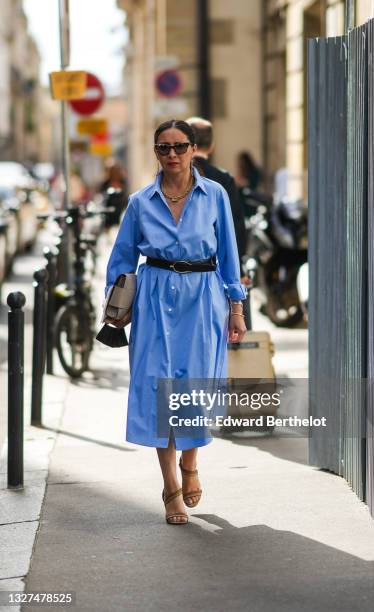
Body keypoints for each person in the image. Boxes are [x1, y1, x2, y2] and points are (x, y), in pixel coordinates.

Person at [103, 119, 247, 525]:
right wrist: (115, 306)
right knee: (157, 388)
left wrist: (236, 308)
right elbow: (121, 259)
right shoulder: (140, 201)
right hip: (153, 297)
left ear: (193, 149)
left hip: (203, 297)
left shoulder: (214, 194)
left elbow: (229, 255)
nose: (172, 155)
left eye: (180, 147)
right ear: (155, 152)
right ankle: (170, 489)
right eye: (164, 148)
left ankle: (190, 461)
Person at [185, 116, 247, 264]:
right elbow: (235, 225)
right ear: (212, 146)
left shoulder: (171, 176)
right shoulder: (224, 178)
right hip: (214, 262)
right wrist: (238, 267)